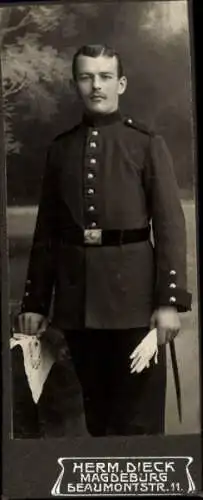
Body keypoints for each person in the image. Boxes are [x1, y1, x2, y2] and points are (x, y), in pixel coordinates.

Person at [19, 44, 192, 437]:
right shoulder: (61, 150)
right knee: (96, 422)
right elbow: (47, 231)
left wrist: (168, 301)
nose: (96, 85)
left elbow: (169, 226)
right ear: (75, 84)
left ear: (121, 83)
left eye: (105, 76)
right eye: (86, 77)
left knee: (139, 423)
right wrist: (34, 301)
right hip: (78, 305)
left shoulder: (146, 144)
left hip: (136, 305)